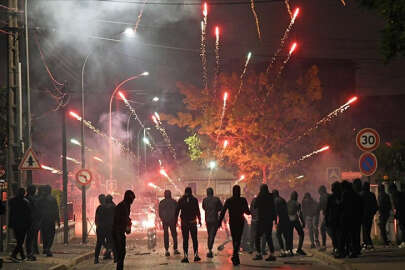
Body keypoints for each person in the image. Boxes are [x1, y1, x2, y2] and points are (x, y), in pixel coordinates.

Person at [219, 185, 251, 266]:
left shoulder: (229, 200)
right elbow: (247, 212)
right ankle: (235, 256)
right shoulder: (243, 200)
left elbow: (223, 212)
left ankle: (235, 256)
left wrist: (219, 222)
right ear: (239, 191)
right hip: (240, 221)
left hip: (233, 221)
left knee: (234, 239)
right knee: (238, 238)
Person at [176, 187, 201, 263]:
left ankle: (185, 257)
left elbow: (177, 211)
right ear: (191, 192)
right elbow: (197, 211)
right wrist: (200, 220)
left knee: (185, 240)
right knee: (194, 239)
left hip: (184, 223)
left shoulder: (181, 200)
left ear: (185, 192)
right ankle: (196, 256)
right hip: (193, 222)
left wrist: (176, 221)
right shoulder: (194, 200)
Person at [252, 184, 276, 261]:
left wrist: (258, 196)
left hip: (262, 220)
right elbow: (273, 208)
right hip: (269, 220)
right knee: (268, 237)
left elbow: (255, 206)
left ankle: (259, 254)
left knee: (257, 236)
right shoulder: (271, 196)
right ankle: (272, 254)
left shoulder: (260, 197)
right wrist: (274, 219)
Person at [113, 190, 136, 270]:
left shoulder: (126, 205)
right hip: (117, 231)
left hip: (120, 231)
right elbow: (118, 218)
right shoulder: (121, 206)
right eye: (132, 198)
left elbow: (125, 217)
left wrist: (128, 221)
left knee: (122, 253)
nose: (133, 201)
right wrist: (127, 222)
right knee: (121, 252)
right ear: (129, 198)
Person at [9, 188, 31, 262]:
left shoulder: (12, 201)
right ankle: (13, 255)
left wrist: (10, 223)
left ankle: (23, 256)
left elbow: (11, 213)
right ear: (24, 193)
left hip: (15, 224)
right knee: (20, 241)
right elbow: (28, 215)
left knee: (19, 241)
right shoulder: (26, 202)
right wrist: (29, 224)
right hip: (23, 224)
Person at [38, 185, 60, 257]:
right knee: (51, 235)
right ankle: (48, 248)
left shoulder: (40, 199)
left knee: (44, 234)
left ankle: (45, 248)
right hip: (50, 220)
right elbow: (56, 210)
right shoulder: (52, 199)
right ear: (50, 191)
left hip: (42, 220)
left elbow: (37, 210)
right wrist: (58, 220)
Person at [202, 187, 223, 258]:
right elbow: (221, 208)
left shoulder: (204, 200)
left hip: (207, 219)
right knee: (212, 234)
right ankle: (210, 249)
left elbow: (203, 207)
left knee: (209, 234)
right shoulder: (216, 199)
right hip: (215, 219)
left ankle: (210, 249)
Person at [159, 190, 180, 257]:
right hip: (172, 221)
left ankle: (167, 250)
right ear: (170, 194)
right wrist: (176, 220)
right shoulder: (174, 202)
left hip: (165, 221)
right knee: (174, 235)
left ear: (164, 194)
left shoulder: (162, 202)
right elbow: (177, 211)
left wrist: (162, 219)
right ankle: (175, 249)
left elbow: (160, 212)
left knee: (166, 235)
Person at [273, 190, 292, 257]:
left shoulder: (275, 200)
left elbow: (275, 212)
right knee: (286, 235)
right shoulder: (282, 199)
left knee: (278, 234)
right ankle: (288, 250)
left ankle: (282, 250)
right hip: (286, 218)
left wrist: (275, 221)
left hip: (281, 219)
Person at [287, 191, 306, 255]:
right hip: (295, 220)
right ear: (296, 196)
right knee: (301, 234)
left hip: (289, 220)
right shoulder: (297, 203)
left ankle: (290, 250)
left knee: (290, 235)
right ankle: (299, 249)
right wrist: (303, 222)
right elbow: (300, 214)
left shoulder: (288, 203)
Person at [325, 181, 342, 255]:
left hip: (335, 219)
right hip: (336, 219)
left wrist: (326, 219)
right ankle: (337, 248)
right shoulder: (340, 196)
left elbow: (327, 210)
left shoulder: (332, 197)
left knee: (335, 235)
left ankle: (337, 248)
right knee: (336, 234)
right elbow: (327, 209)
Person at [361, 182, 378, 250]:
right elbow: (376, 206)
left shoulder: (361, 195)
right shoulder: (372, 195)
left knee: (365, 230)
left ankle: (368, 244)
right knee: (367, 229)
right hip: (370, 215)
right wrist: (372, 212)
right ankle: (366, 243)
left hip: (363, 215)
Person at [388, 183, 405, 248]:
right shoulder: (400, 194)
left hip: (401, 214)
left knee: (402, 227)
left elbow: (398, 205)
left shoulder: (396, 195)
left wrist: (396, 214)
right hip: (401, 213)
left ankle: (403, 242)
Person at [25, 185, 39, 261]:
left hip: (27, 221)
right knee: (30, 238)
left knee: (29, 238)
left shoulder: (26, 198)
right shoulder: (32, 199)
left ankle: (30, 253)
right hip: (31, 221)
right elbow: (35, 210)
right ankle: (29, 253)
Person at [351, 179, 364, 256]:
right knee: (356, 234)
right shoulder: (359, 195)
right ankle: (357, 249)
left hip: (354, 217)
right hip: (358, 217)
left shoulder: (355, 195)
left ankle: (355, 250)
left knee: (354, 234)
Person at [95, 194, 106, 264]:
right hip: (106, 228)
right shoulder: (107, 207)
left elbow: (96, 219)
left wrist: (97, 225)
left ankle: (96, 258)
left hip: (100, 228)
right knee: (108, 242)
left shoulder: (99, 208)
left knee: (99, 243)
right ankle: (108, 254)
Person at [103, 194, 116, 260]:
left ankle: (108, 254)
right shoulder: (114, 206)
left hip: (106, 226)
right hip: (112, 226)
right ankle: (114, 254)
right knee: (112, 241)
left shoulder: (104, 207)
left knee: (108, 241)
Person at [318, 185, 330, 251]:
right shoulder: (329, 195)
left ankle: (324, 245)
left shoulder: (322, 197)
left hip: (327, 216)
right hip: (332, 215)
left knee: (325, 229)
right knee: (328, 229)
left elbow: (319, 207)